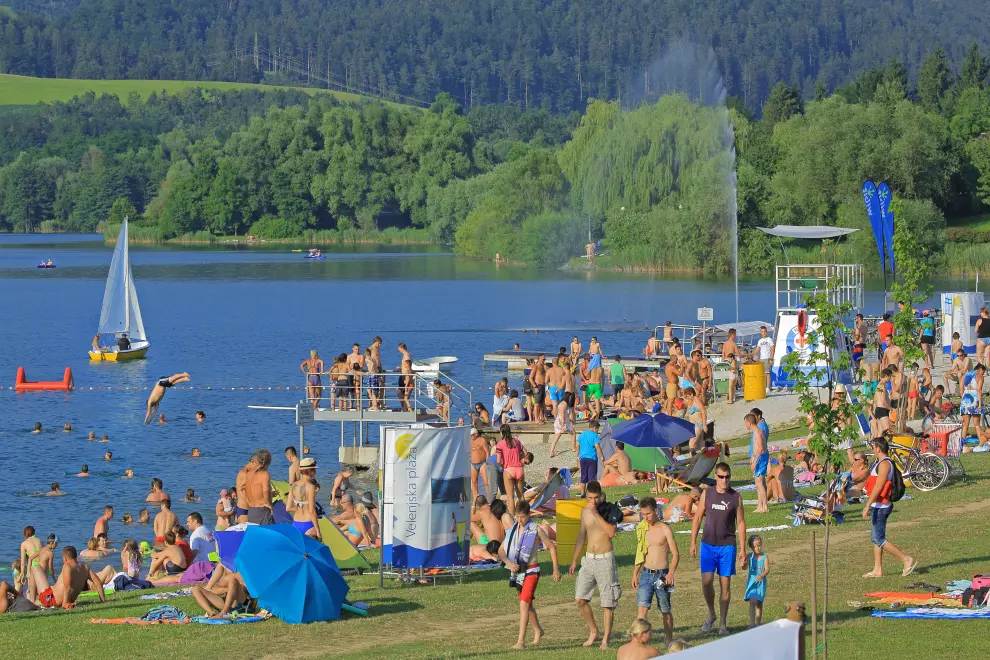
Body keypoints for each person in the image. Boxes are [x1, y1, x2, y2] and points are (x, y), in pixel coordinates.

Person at [690, 462, 746, 636]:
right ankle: (711, 613)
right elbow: (698, 517)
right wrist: (692, 541)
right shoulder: (707, 494)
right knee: (706, 582)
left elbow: (741, 522)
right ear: (715, 477)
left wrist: (743, 549)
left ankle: (722, 623)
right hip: (708, 545)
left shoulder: (736, 496)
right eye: (721, 477)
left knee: (725, 585)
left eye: (727, 477)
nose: (724, 480)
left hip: (727, 546)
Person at [498, 501, 560, 650]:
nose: (520, 520)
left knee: (524, 604)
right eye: (517, 517)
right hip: (518, 571)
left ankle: (520, 641)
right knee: (527, 604)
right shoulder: (512, 530)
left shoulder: (536, 530)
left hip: (532, 570)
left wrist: (555, 569)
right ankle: (538, 630)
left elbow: (551, 547)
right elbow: (501, 551)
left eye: (523, 517)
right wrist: (508, 562)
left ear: (529, 515)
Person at [570, 481, 620, 649]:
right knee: (580, 599)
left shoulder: (608, 510)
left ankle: (605, 640)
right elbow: (581, 536)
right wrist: (575, 559)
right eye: (590, 498)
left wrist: (596, 513)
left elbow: (611, 532)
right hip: (589, 559)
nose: (592, 501)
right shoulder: (584, 512)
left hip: (605, 559)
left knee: (607, 602)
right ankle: (594, 631)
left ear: (600, 495)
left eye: (595, 497)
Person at [862, 437, 916, 578]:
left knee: (878, 538)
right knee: (877, 538)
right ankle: (877, 569)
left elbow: (879, 486)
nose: (872, 450)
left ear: (878, 448)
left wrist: (867, 505)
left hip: (881, 506)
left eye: (873, 447)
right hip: (877, 504)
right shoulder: (880, 462)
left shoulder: (885, 464)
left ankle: (905, 559)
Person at [633, 497, 679, 646]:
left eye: (648, 514)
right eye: (643, 514)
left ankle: (669, 639)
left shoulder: (665, 529)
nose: (645, 517)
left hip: (662, 575)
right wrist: (635, 572)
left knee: (665, 610)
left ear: (655, 511)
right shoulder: (643, 528)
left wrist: (671, 573)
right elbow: (641, 552)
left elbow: (676, 555)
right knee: (642, 608)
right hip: (646, 574)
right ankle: (639, 643)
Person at [39, 546, 105, 609]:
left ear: (64, 558)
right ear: (76, 556)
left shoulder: (67, 566)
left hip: (51, 600)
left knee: (35, 567)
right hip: (62, 599)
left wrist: (65, 604)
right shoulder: (85, 567)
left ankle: (32, 598)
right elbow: (98, 582)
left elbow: (67, 587)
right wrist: (102, 600)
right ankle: (32, 599)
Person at [495, 424, 527, 514]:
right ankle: (524, 514)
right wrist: (519, 458)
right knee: (521, 496)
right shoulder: (517, 442)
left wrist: (502, 465)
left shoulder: (500, 444)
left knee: (510, 497)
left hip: (509, 470)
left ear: (502, 433)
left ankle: (512, 518)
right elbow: (526, 453)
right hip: (519, 469)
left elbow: (498, 460)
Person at [289, 457, 322, 540]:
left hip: (296, 523)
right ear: (310, 471)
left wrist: (300, 507)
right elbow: (312, 511)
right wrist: (318, 530)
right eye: (314, 470)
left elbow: (288, 508)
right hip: (308, 524)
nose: (315, 472)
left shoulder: (294, 485)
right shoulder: (311, 487)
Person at [239, 449, 274, 525]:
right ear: (267, 463)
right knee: (267, 534)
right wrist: (268, 504)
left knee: (256, 534)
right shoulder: (264, 474)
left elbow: (241, 488)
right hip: (262, 510)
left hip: (251, 510)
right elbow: (265, 489)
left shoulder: (249, 474)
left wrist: (248, 501)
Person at [744, 414, 769, 513]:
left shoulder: (757, 432)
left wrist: (755, 461)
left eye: (745, 423)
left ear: (749, 423)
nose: (745, 425)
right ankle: (760, 505)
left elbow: (760, 448)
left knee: (759, 483)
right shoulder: (758, 431)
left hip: (761, 458)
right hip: (760, 457)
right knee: (759, 483)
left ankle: (765, 506)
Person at [744, 534, 770, 627]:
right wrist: (743, 563)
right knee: (752, 601)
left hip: (760, 584)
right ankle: (751, 623)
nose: (757, 548)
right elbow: (744, 567)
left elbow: (767, 569)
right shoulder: (749, 556)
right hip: (752, 583)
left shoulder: (764, 557)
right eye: (754, 546)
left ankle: (758, 623)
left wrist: (762, 575)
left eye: (759, 545)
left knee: (759, 604)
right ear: (751, 547)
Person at [18, 527, 43, 601]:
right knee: (41, 588)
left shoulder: (24, 544)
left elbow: (22, 563)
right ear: (34, 532)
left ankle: (32, 603)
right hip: (42, 565)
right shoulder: (40, 540)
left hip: (32, 566)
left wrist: (22, 574)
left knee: (31, 590)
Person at [470, 428, 490, 503]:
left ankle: (489, 499)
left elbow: (487, 451)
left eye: (472, 435)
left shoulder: (482, 440)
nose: (471, 436)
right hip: (473, 464)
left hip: (482, 463)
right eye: (470, 435)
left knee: (486, 482)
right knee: (474, 482)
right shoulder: (469, 441)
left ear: (476, 434)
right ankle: (476, 499)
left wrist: (487, 462)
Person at [722, 329, 741, 404]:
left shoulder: (725, 344)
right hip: (732, 362)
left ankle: (728, 396)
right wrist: (747, 355)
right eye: (735, 334)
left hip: (726, 362)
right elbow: (739, 355)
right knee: (732, 383)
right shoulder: (733, 344)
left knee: (728, 381)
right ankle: (731, 398)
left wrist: (724, 361)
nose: (735, 336)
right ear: (732, 335)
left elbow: (723, 355)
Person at [755, 326, 774, 394]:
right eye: (762, 332)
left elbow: (772, 349)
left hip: (767, 358)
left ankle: (768, 387)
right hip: (761, 359)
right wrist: (751, 354)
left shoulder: (769, 339)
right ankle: (764, 386)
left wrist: (771, 358)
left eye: (765, 331)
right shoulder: (760, 341)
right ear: (761, 333)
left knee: (767, 373)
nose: (764, 333)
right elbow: (757, 349)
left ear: (766, 332)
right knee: (762, 373)